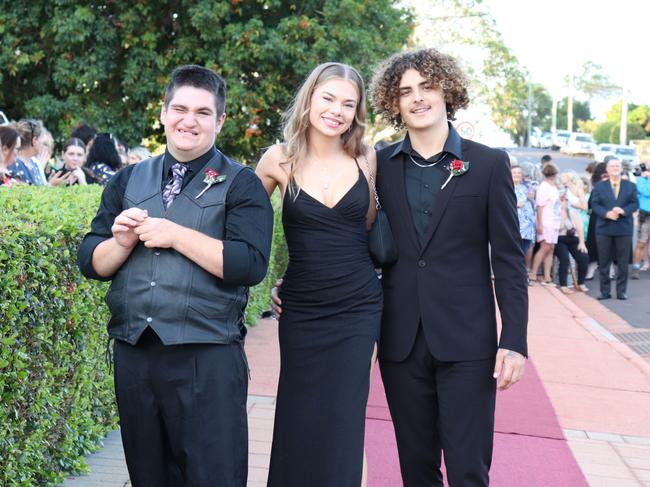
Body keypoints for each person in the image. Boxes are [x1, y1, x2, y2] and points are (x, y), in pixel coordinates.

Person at [77, 64, 274, 486]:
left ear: (220, 120)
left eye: (203, 112)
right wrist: (122, 242)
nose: (190, 120)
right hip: (135, 355)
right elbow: (92, 261)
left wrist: (175, 235)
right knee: (148, 476)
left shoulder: (242, 184)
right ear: (164, 113)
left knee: (213, 477)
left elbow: (249, 265)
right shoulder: (128, 178)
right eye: (180, 109)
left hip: (207, 357)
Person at [369, 48, 527, 486]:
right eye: (406, 92)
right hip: (399, 342)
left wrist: (514, 338)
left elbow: (510, 260)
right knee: (415, 470)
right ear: (394, 103)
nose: (417, 98)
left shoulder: (489, 164)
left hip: (468, 343)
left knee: (467, 469)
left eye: (427, 86)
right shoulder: (377, 165)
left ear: (447, 91)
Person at [255, 62, 382, 487]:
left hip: (359, 306)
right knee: (299, 413)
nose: (337, 111)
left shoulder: (367, 157)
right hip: (303, 307)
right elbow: (245, 230)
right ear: (309, 98)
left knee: (346, 416)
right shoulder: (277, 158)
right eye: (328, 98)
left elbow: (367, 230)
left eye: (349, 104)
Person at [591, 158, 639, 300]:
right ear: (607, 169)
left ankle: (621, 292)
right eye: (612, 166)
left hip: (623, 229)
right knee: (604, 262)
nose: (615, 168)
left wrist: (623, 211)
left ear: (621, 168)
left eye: (617, 166)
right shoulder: (599, 186)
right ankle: (605, 291)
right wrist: (606, 214)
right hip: (604, 229)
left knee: (623, 263)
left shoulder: (630, 186)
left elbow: (635, 204)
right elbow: (594, 204)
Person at [529, 162, 561, 285]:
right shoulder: (544, 187)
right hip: (546, 221)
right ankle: (533, 273)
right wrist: (540, 224)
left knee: (551, 248)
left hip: (554, 221)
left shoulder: (552, 187)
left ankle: (547, 276)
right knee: (545, 247)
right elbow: (540, 207)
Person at [555, 188, 589, 294]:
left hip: (574, 239)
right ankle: (564, 284)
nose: (565, 202)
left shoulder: (574, 212)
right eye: (563, 200)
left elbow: (580, 228)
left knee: (583, 257)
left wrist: (582, 243)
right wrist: (563, 214)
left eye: (566, 200)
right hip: (559, 239)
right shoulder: (555, 211)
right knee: (564, 259)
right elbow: (559, 228)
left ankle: (581, 283)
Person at [585, 162, 608, 280]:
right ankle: (593, 267)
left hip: (609, 220)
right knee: (594, 245)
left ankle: (607, 269)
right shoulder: (597, 187)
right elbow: (590, 204)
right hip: (597, 219)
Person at [9, 118, 47, 185]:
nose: (43, 145)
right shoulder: (14, 164)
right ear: (34, 141)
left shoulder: (35, 163)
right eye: (42, 142)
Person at [512, 164, 536, 256]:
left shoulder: (527, 188)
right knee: (514, 256)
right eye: (514, 173)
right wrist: (516, 204)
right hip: (514, 228)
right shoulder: (506, 188)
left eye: (519, 173)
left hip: (527, 229)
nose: (517, 174)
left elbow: (533, 206)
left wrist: (532, 199)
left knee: (522, 256)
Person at [632, 167, 650, 278]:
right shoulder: (640, 180)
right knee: (641, 243)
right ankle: (636, 268)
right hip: (645, 215)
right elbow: (646, 192)